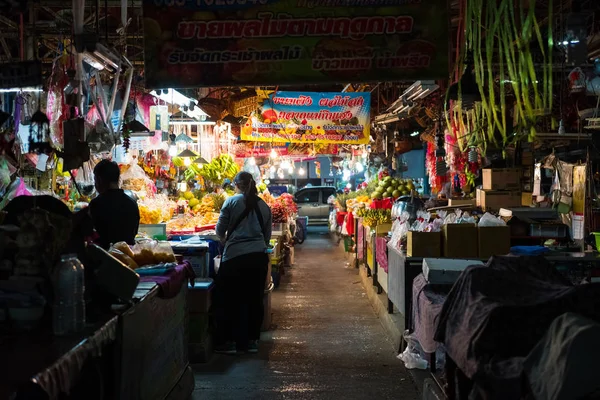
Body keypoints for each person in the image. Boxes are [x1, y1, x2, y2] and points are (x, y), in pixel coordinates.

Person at [215, 171, 272, 354]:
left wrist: (225, 240)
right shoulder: (264, 206)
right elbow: (267, 237)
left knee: (229, 299)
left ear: (236, 185)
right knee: (254, 298)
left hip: (234, 258)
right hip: (258, 258)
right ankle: (251, 341)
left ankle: (229, 342)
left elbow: (219, 230)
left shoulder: (230, 202)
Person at [89, 159, 140, 249]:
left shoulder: (96, 204)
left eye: (95, 180)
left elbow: (91, 234)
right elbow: (134, 232)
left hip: (104, 257)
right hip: (128, 257)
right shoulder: (131, 203)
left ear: (99, 180)